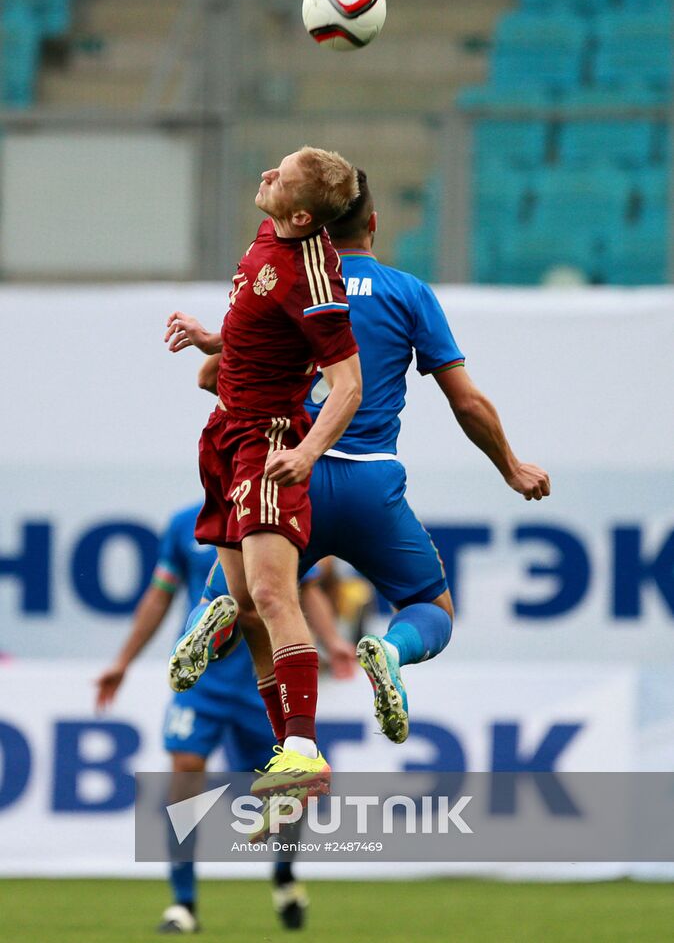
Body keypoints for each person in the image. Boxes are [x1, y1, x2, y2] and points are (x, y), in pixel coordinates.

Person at [167, 169, 550, 745]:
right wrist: (512, 467)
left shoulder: (291, 278)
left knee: (248, 594)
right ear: (372, 224)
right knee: (429, 605)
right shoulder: (408, 293)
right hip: (370, 484)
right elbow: (466, 401)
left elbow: (212, 379)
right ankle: (391, 651)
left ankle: (212, 619)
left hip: (286, 465)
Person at [164, 147, 362, 792]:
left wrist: (304, 455)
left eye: (280, 177)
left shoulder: (315, 276)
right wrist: (210, 338)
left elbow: (348, 385)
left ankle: (304, 749)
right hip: (223, 433)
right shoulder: (266, 236)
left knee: (275, 596)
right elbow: (257, 319)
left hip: (269, 441)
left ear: (303, 214)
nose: (265, 176)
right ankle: (289, 753)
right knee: (248, 607)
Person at [94, 501, 351, 933]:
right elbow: (160, 594)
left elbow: (305, 589)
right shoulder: (184, 524)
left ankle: (285, 873)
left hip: (261, 678)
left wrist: (333, 641)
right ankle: (184, 903)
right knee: (185, 774)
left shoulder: (272, 518)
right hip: (203, 684)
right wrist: (123, 661)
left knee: (287, 792)